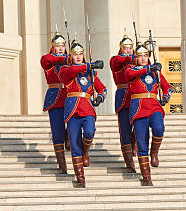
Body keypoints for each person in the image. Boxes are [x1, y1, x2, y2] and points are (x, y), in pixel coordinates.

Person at [58, 41, 106, 188]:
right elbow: (72, 70)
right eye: (75, 54)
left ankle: (86, 151)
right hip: (72, 110)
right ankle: (80, 177)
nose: (78, 57)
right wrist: (90, 65)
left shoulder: (90, 74)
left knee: (90, 132)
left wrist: (100, 97)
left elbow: (102, 88)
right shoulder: (66, 70)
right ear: (70, 56)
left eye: (80, 54)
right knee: (74, 143)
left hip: (87, 108)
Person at [123, 42, 172, 186]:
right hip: (138, 108)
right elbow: (131, 74)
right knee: (141, 141)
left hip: (154, 106)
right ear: (135, 58)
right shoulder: (130, 69)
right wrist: (149, 67)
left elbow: (167, 87)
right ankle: (146, 175)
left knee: (159, 129)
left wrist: (165, 97)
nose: (143, 58)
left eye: (145, 56)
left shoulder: (154, 72)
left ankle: (154, 152)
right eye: (140, 56)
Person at [41, 32, 70, 175]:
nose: (60, 48)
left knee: (74, 127)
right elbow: (47, 59)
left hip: (69, 98)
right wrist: (67, 57)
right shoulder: (48, 60)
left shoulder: (69, 61)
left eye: (63, 46)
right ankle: (62, 165)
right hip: (55, 100)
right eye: (57, 46)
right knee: (57, 133)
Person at [110, 34, 137, 173]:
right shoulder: (116, 60)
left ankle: (135, 142)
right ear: (121, 49)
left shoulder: (137, 61)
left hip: (137, 98)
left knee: (140, 127)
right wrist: (135, 56)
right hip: (123, 99)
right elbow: (119, 60)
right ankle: (129, 163)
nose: (128, 50)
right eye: (126, 48)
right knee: (125, 130)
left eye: (131, 48)